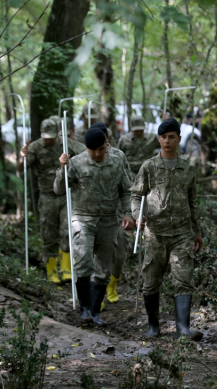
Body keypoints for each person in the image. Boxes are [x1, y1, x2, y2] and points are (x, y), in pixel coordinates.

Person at [131, 118, 203, 340]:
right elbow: (135, 195)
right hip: (155, 234)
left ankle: (183, 328)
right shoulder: (149, 167)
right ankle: (153, 326)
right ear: (158, 139)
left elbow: (193, 202)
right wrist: (137, 216)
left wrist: (197, 231)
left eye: (172, 137)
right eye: (163, 137)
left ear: (179, 139)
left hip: (181, 234)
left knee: (183, 279)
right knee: (151, 281)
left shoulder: (188, 168)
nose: (167, 141)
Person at [54, 127, 134, 326]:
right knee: (83, 261)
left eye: (100, 149)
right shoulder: (76, 162)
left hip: (108, 220)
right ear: (86, 148)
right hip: (83, 218)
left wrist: (128, 213)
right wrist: (62, 169)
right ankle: (84, 310)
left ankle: (95, 311)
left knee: (103, 268)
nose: (97, 154)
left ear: (107, 144)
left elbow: (125, 190)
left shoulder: (117, 160)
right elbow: (58, 189)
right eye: (92, 150)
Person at [18, 118, 86, 283]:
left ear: (57, 133)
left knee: (67, 230)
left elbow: (86, 154)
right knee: (49, 234)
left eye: (51, 136)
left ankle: (66, 268)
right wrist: (22, 157)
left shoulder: (67, 144)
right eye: (45, 136)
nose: (48, 140)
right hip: (47, 196)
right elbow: (21, 169)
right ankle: (51, 271)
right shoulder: (35, 147)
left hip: (65, 195)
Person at [90, 122, 133, 306]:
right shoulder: (86, 155)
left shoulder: (118, 156)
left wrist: (129, 211)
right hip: (93, 214)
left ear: (108, 138)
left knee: (120, 253)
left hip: (116, 213)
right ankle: (97, 293)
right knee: (96, 255)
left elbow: (127, 186)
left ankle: (112, 285)